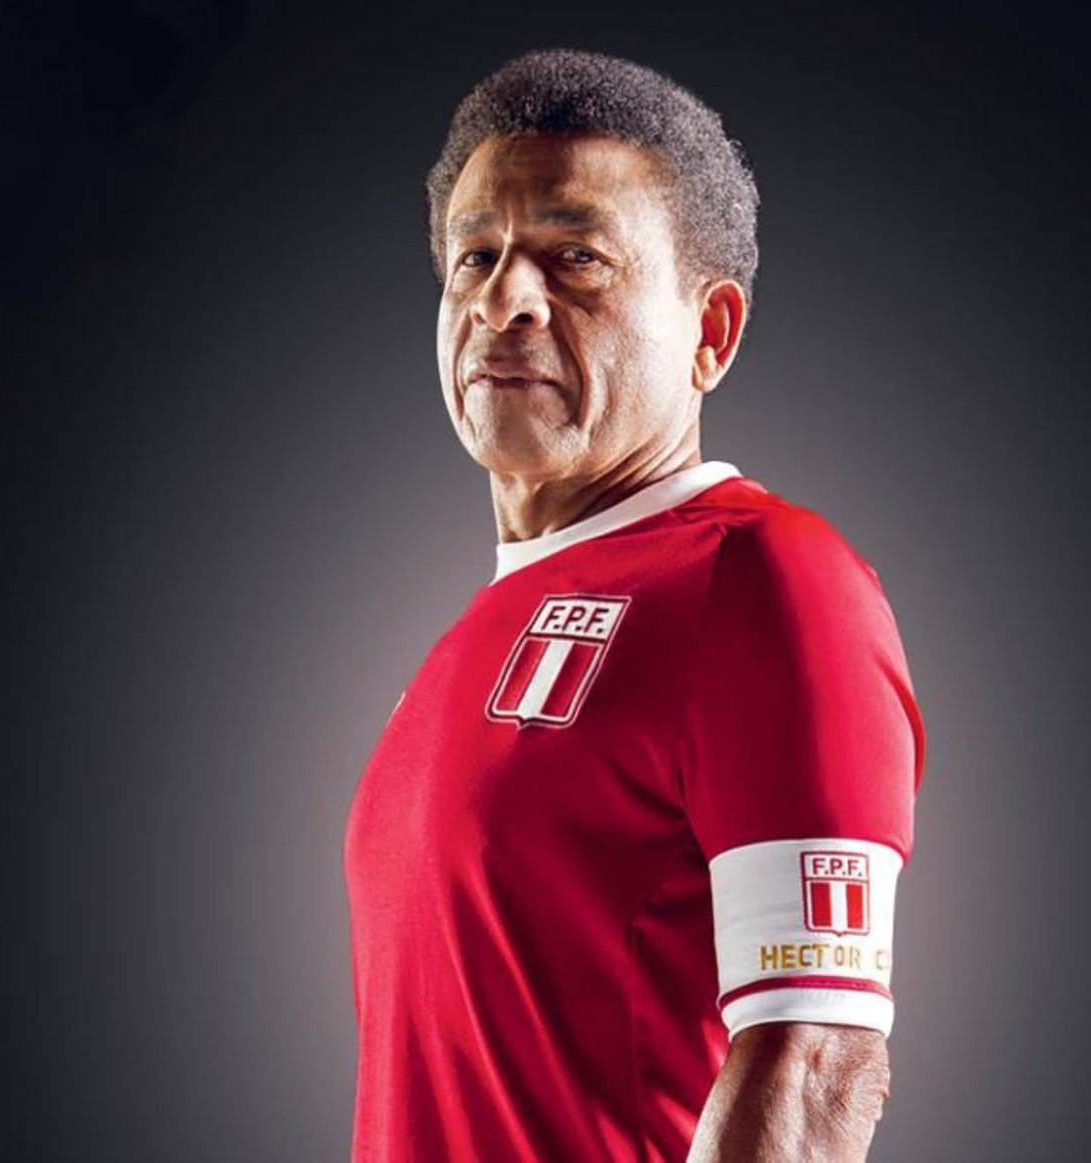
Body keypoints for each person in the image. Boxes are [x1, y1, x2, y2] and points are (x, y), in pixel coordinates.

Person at [343, 48, 926, 1162]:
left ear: (711, 333)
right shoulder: (470, 633)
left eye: (574, 257)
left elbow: (816, 1063)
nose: (504, 299)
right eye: (475, 257)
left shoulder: (765, 577)